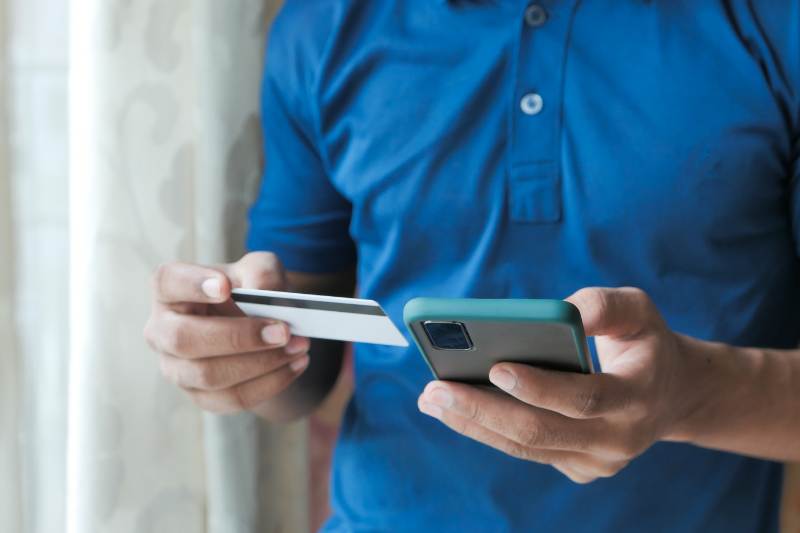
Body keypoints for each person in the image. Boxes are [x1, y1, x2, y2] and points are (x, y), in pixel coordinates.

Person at [143, 1, 800, 531]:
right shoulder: (322, 25)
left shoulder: (774, 22)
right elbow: (300, 373)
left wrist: (690, 393)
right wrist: (237, 345)